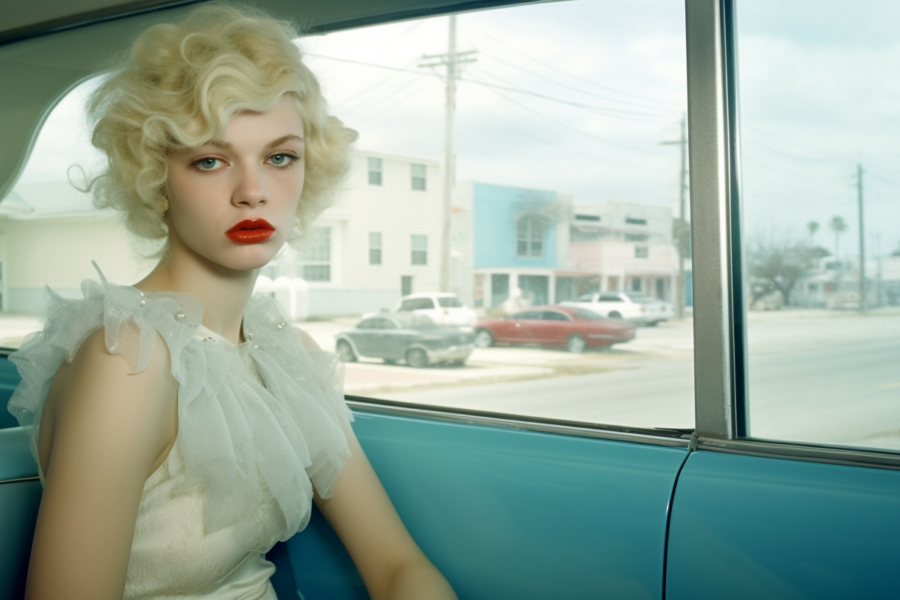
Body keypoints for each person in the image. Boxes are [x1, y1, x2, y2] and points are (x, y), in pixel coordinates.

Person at [7, 4, 457, 600]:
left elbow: (398, 566)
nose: (253, 191)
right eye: (210, 161)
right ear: (156, 177)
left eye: (280, 157)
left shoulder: (286, 353)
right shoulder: (128, 360)